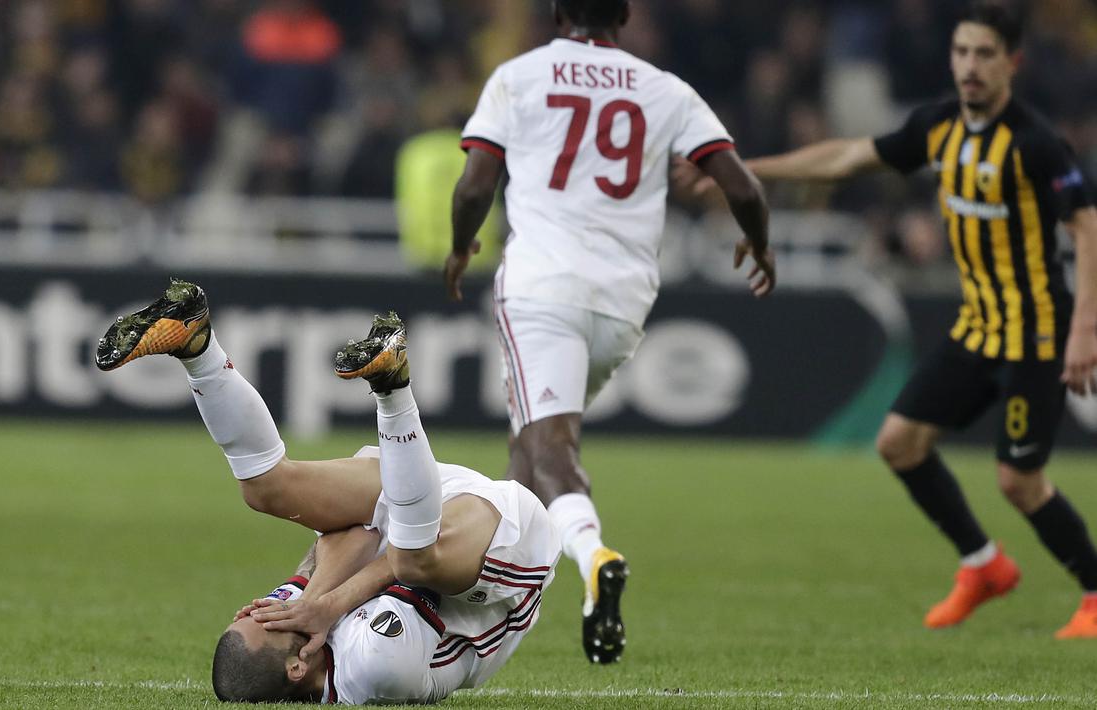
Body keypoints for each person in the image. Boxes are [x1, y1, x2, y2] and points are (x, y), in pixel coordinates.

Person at [734, 1, 1097, 637]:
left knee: (1019, 481)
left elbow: (1086, 226)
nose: (970, 66)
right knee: (898, 442)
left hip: (1035, 331)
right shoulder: (938, 126)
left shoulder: (1036, 142)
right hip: (977, 326)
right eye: (961, 52)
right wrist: (746, 171)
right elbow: (848, 157)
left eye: (984, 54)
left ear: (1012, 62)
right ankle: (983, 565)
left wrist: (1086, 331)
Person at [443, 0, 776, 663]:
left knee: (549, 446)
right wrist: (759, 244)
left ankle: (593, 556)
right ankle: (493, 604)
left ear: (554, 11)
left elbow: (476, 184)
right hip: (623, 301)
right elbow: (743, 188)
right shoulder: (665, 89)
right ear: (623, 15)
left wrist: (459, 246)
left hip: (542, 286)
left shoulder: (519, 76)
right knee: (529, 447)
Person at [96, 280, 559, 704]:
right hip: (505, 558)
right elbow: (396, 566)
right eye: (268, 623)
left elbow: (355, 532)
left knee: (266, 489)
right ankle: (392, 387)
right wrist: (329, 606)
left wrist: (312, 598)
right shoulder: (376, 666)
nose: (273, 611)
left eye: (257, 613)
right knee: (414, 557)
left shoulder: (297, 619)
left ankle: (196, 345)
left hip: (413, 494)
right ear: (298, 668)